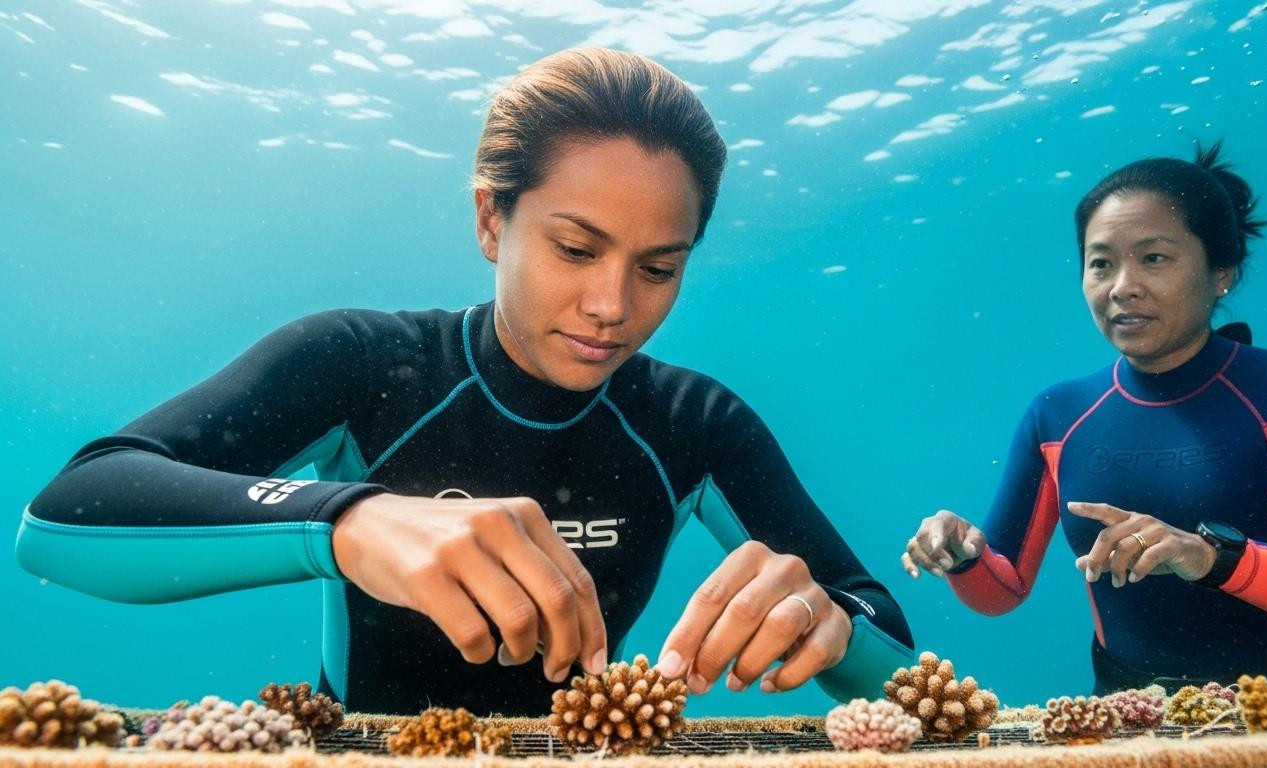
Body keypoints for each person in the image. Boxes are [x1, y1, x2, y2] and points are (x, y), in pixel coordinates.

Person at [17, 48, 913, 715]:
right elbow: (65, 517)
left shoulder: (696, 422)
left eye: (659, 268)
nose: (610, 305)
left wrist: (827, 623)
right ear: (492, 219)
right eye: (575, 247)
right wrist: (349, 522)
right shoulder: (363, 366)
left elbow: (895, 659)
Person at [900, 142, 1267, 696]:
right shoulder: (1058, 415)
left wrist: (1208, 557)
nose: (1122, 287)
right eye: (1101, 263)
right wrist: (961, 553)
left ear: (1222, 273)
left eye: (1154, 258)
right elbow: (1002, 590)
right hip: (1126, 719)